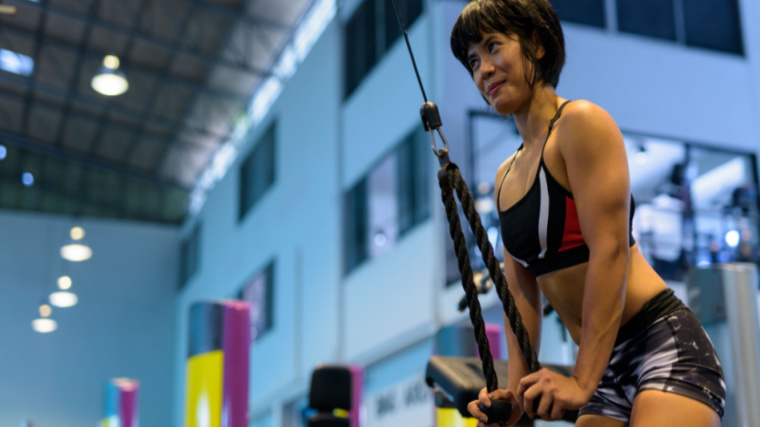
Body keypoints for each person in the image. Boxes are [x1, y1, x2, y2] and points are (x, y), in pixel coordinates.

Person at [449, 1, 725, 426]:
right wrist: (517, 402)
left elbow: (611, 251)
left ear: (536, 44)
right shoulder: (505, 177)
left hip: (660, 343)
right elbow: (520, 296)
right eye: (473, 60)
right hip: (604, 367)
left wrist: (581, 381)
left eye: (493, 46)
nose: (483, 69)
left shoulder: (580, 123)